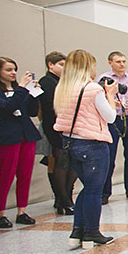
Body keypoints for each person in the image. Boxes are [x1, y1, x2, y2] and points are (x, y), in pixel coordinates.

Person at [54, 50, 118, 249]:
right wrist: (110, 96)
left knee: (87, 188)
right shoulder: (92, 89)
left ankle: (77, 232)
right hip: (93, 145)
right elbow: (110, 117)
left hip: (71, 143)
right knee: (94, 191)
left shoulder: (63, 88)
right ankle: (91, 233)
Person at [0, 57, 41, 229]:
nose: (13, 73)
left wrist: (34, 94)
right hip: (8, 136)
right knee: (6, 175)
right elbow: (6, 108)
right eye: (8, 70)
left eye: (14, 69)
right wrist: (21, 88)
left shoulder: (20, 89)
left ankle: (22, 211)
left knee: (25, 174)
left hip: (26, 134)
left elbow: (31, 112)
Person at [98, 51, 128, 203]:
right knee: (110, 156)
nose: (122, 64)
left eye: (124, 61)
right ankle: (105, 192)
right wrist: (110, 101)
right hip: (112, 120)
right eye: (118, 61)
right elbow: (97, 98)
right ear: (110, 63)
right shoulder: (103, 79)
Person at [39, 51, 77, 216]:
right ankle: (63, 199)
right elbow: (49, 109)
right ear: (50, 65)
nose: (64, 68)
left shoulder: (64, 82)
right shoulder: (47, 82)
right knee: (59, 163)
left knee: (71, 164)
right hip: (54, 128)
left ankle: (66, 196)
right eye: (61, 65)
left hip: (69, 128)